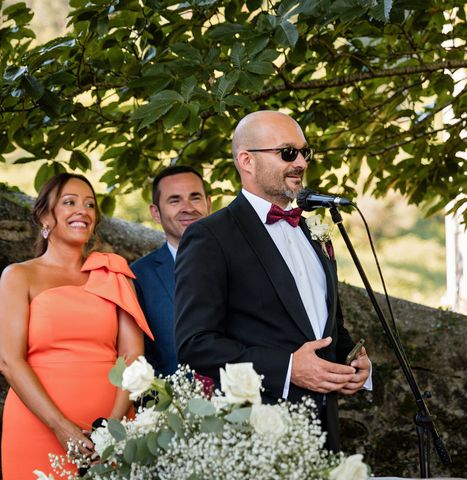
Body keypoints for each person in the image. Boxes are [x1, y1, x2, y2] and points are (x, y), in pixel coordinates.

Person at [174, 110, 371, 451]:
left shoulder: (314, 231)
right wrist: (288, 367)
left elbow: (326, 329)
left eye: (304, 152)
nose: (300, 163)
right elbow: (196, 344)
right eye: (287, 152)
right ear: (247, 161)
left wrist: (352, 361)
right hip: (255, 433)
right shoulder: (211, 236)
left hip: (325, 431)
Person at [0, 173, 153, 479]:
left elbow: (133, 355)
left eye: (90, 205)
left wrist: (113, 429)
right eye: (69, 202)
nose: (83, 210)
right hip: (37, 425)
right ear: (45, 216)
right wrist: (59, 425)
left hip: (113, 422)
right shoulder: (19, 276)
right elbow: (9, 361)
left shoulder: (114, 274)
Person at [131, 166, 211, 376]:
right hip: (178, 402)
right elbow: (142, 358)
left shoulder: (243, 259)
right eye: (175, 200)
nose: (188, 208)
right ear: (156, 213)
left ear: (208, 203)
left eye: (195, 198)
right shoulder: (138, 276)